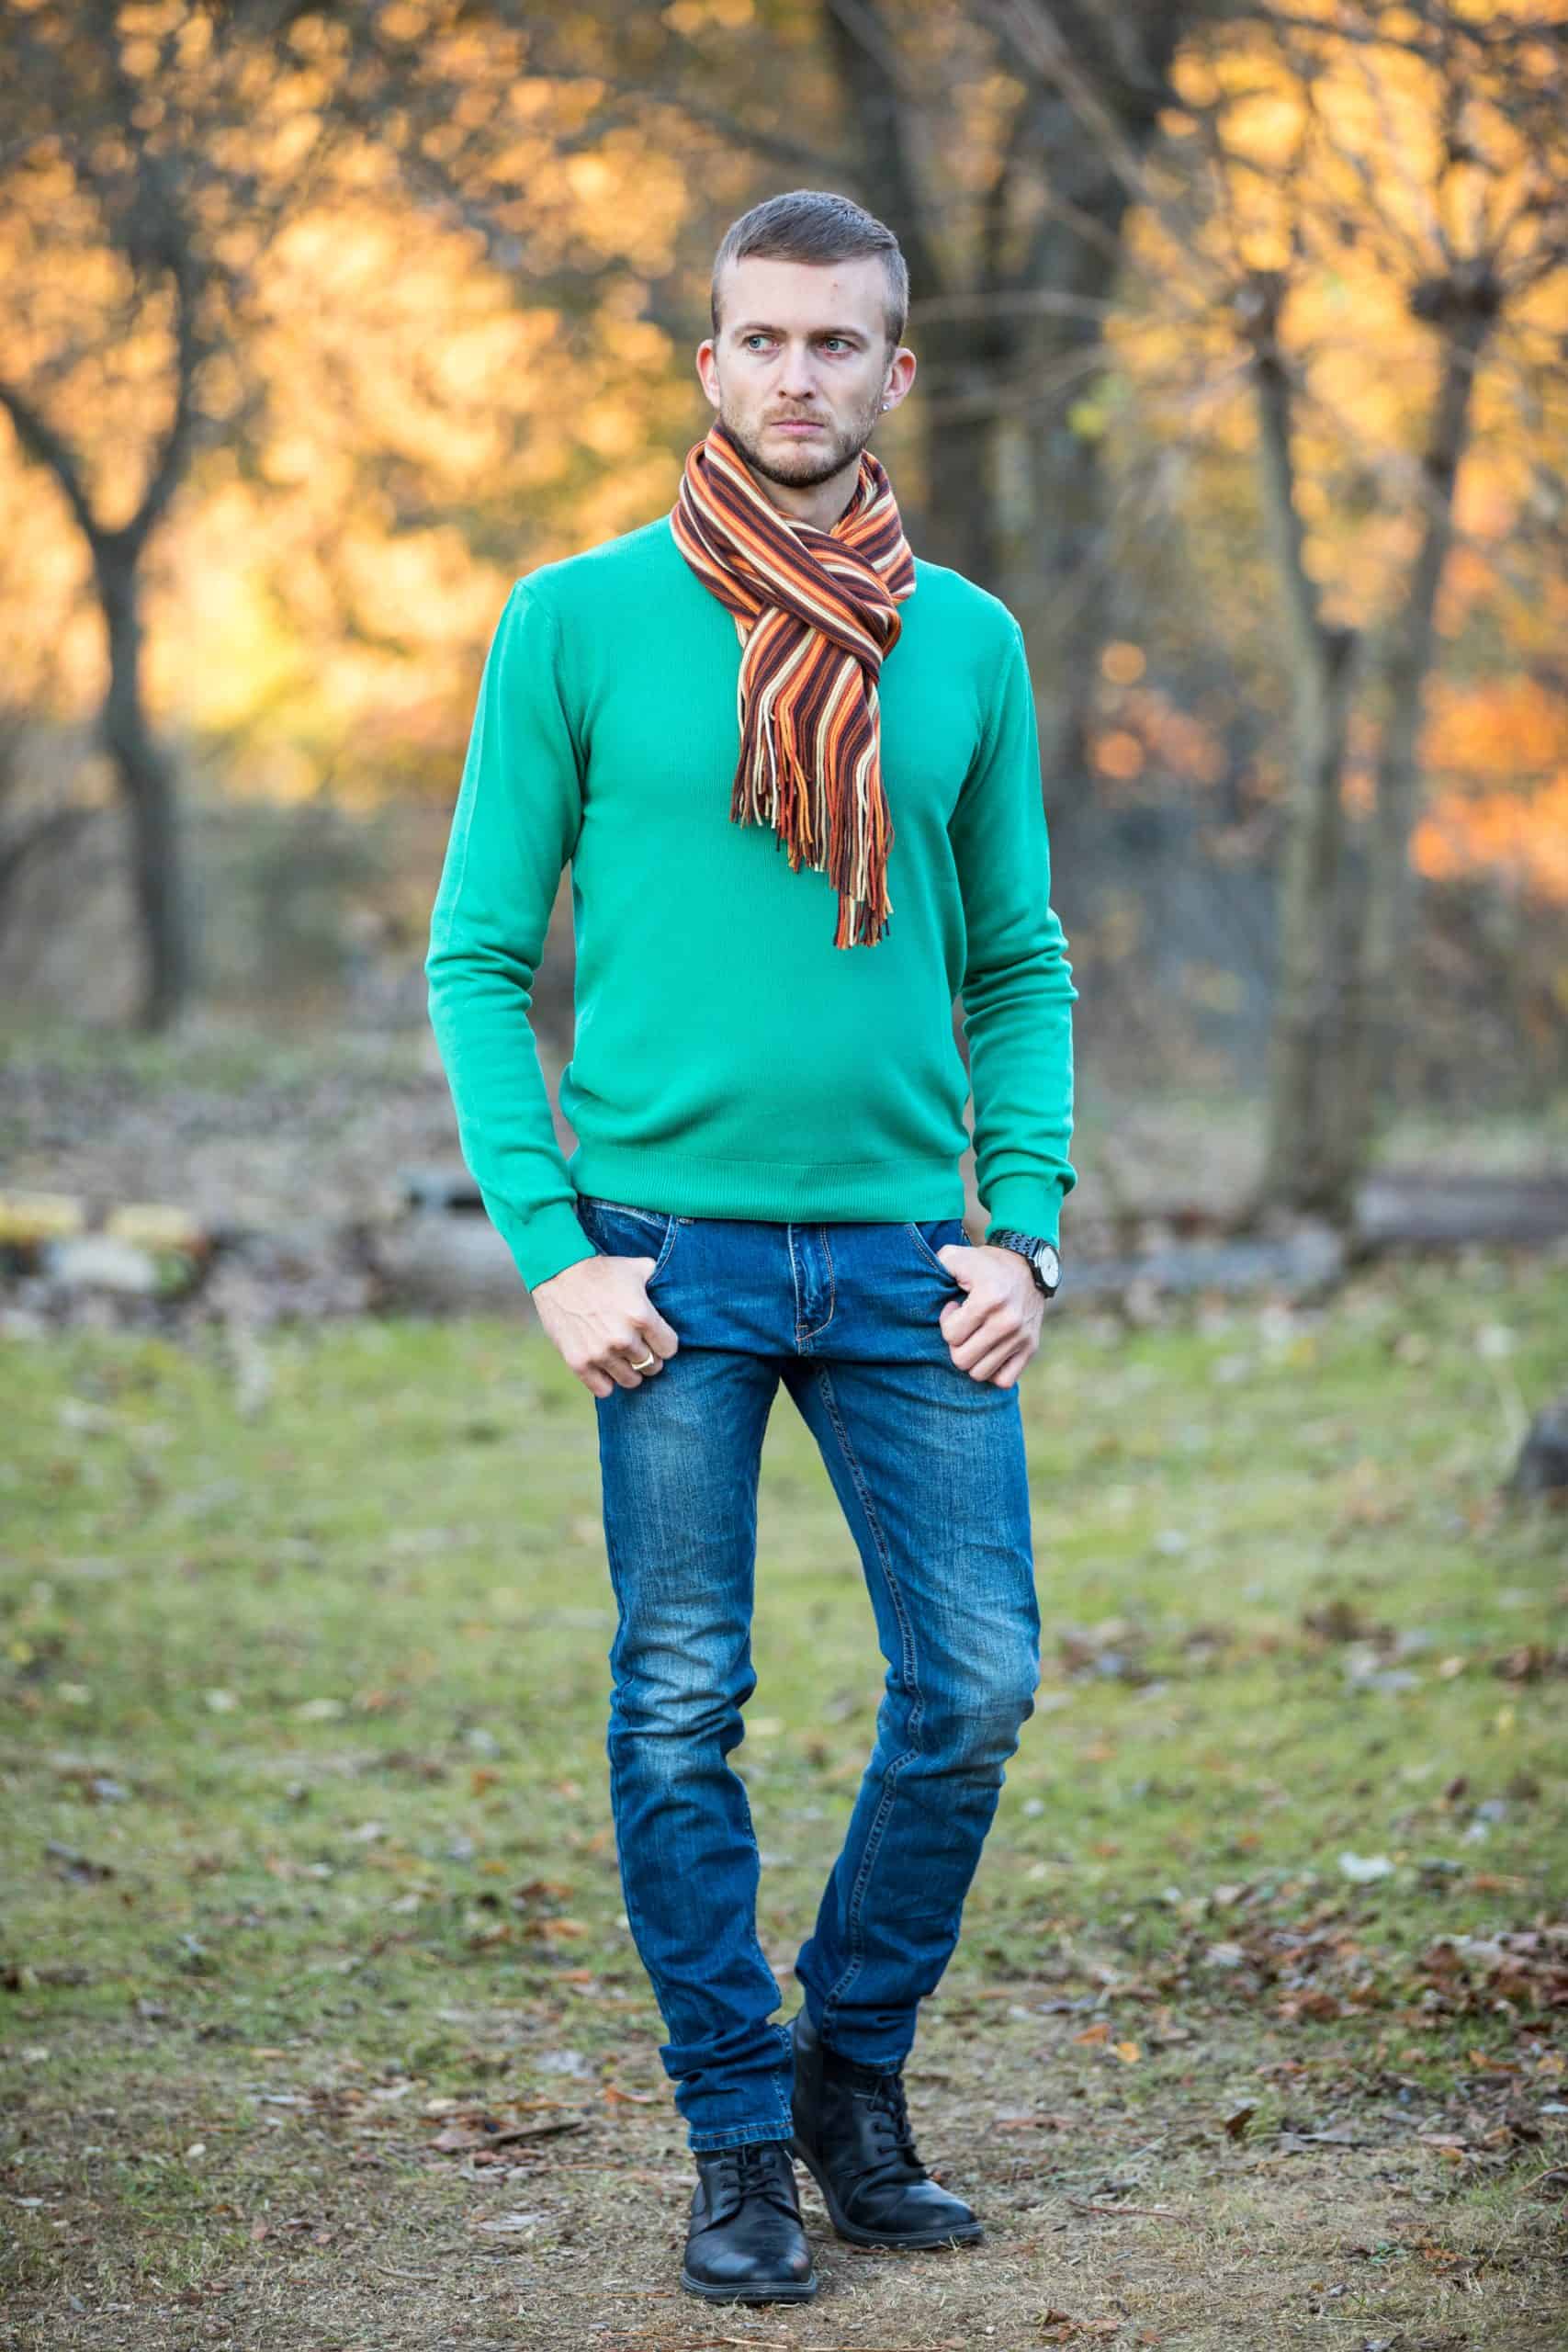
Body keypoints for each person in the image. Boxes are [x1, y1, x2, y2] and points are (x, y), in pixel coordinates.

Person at [425, 187, 1077, 2307]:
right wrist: (552, 1249)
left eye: (836, 341)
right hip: (659, 1256)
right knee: (677, 1703)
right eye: (763, 339)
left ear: (894, 370)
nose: (798, 374)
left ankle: (844, 2073)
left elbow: (1015, 962)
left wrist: (1026, 1230)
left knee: (973, 1682)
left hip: (902, 1256)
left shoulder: (964, 641)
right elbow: (476, 957)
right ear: (710, 362)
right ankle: (734, 2134)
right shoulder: (575, 620)